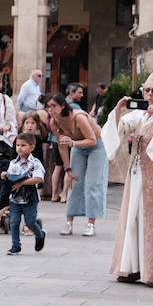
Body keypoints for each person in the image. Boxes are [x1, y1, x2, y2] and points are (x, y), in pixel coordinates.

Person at [105, 71, 153, 284]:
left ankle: (152, 270)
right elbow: (120, 131)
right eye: (147, 90)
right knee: (132, 217)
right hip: (136, 174)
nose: (150, 94)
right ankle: (130, 267)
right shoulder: (140, 116)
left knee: (152, 220)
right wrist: (118, 113)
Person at [46, 91, 107, 237]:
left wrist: (73, 143)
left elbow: (92, 139)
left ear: (62, 106)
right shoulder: (54, 122)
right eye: (48, 107)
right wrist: (67, 168)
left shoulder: (78, 117)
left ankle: (91, 223)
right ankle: (69, 222)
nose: (50, 110)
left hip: (96, 146)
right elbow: (61, 145)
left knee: (93, 184)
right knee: (74, 183)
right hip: (78, 148)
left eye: (53, 106)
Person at [2, 132, 46, 255]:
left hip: (29, 198)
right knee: (14, 222)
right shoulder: (13, 163)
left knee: (30, 221)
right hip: (15, 198)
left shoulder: (35, 163)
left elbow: (39, 178)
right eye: (17, 145)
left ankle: (40, 234)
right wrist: (5, 175)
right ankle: (15, 245)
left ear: (32, 147)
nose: (19, 148)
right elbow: (10, 177)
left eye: (23, 145)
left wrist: (22, 183)